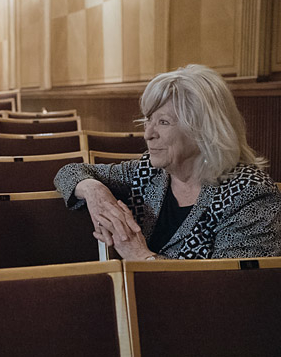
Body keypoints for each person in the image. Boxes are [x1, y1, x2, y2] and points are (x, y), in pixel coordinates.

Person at [54, 64, 281, 261]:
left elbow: (230, 291)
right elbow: (69, 172)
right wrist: (95, 192)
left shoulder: (249, 195)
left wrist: (140, 256)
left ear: (203, 131)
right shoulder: (150, 172)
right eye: (147, 120)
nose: (148, 134)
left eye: (163, 122)